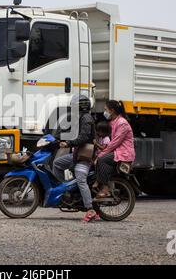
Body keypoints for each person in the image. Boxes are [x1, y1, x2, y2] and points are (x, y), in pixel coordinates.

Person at [52, 94, 98, 223]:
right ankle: (67, 190)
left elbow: (83, 137)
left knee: (81, 179)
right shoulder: (80, 118)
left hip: (86, 155)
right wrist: (57, 136)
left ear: (81, 107)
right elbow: (70, 130)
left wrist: (68, 143)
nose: (72, 108)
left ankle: (90, 209)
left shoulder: (86, 118)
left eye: (74, 106)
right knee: (57, 164)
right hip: (77, 153)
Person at [94, 100, 135, 200]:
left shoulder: (122, 123)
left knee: (102, 159)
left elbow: (115, 142)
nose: (104, 112)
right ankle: (98, 181)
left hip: (124, 152)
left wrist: (101, 154)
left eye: (105, 110)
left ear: (112, 110)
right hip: (117, 150)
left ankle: (105, 189)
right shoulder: (113, 122)